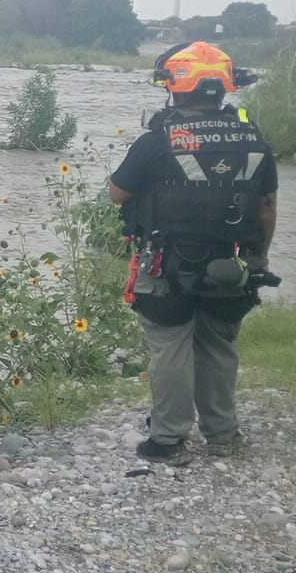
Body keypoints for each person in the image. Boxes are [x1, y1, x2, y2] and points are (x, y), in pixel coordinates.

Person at [109, 41, 279, 465]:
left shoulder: (155, 142)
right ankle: (222, 434)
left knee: (170, 348)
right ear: (225, 86)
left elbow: (117, 193)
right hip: (230, 265)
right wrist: (259, 258)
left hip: (167, 266)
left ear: (174, 86)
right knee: (219, 348)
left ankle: (167, 440)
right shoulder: (253, 139)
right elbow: (267, 207)